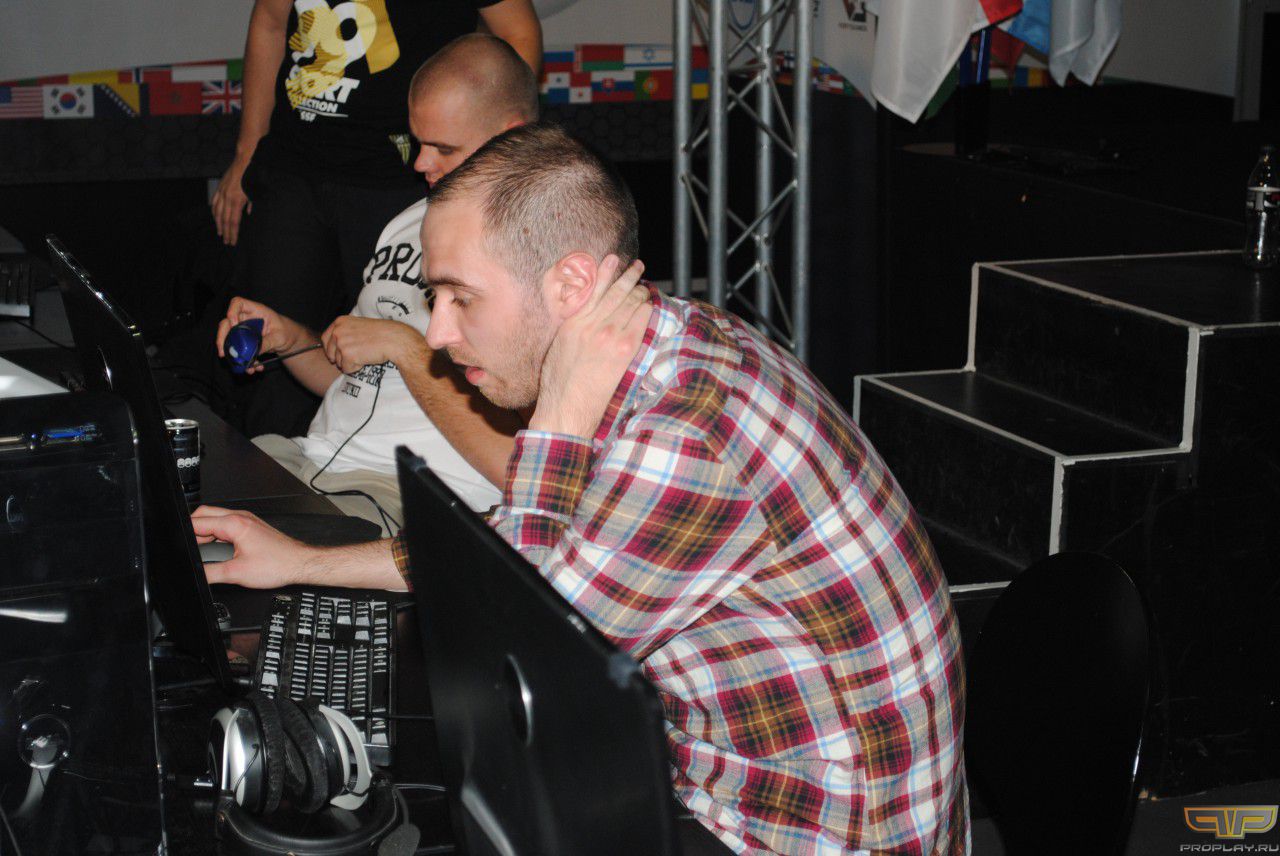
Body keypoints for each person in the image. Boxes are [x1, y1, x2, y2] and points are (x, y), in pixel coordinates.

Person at [195, 124, 968, 854]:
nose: (437, 334)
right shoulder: (655, 346)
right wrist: (300, 561)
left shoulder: (682, 430)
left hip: (805, 833)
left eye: (461, 297)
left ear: (570, 283)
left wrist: (558, 421)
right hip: (731, 783)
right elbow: (510, 549)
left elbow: (519, 665)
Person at [213, 34, 536, 532]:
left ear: (508, 137)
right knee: (162, 498)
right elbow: (362, 385)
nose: (420, 163)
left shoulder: (537, 253)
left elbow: (526, 473)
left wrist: (405, 347)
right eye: (418, 143)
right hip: (307, 459)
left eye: (443, 148)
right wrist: (291, 340)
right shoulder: (407, 222)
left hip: (401, 491)